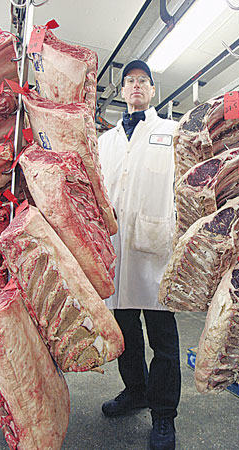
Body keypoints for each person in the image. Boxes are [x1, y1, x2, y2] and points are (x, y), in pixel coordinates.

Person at [98, 60, 181, 450]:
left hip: (156, 251)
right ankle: (136, 391)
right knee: (125, 332)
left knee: (162, 339)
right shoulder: (104, 141)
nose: (135, 87)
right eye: (129, 82)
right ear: (123, 90)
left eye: (142, 82)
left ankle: (164, 416)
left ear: (152, 90)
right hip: (115, 253)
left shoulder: (171, 131)